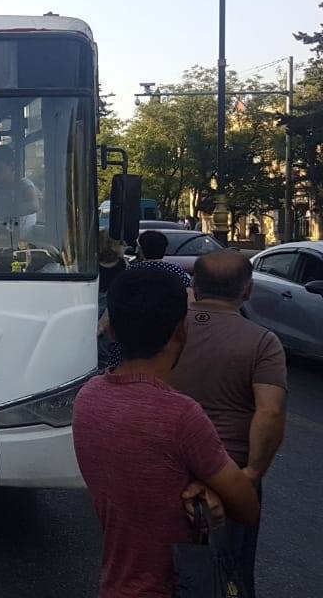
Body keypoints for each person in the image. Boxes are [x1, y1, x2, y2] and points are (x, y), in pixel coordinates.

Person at [72, 269, 259, 598]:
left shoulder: (88, 398)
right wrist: (210, 488)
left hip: (116, 584)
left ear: (112, 328)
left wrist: (200, 485)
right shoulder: (181, 415)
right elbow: (246, 507)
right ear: (182, 330)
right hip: (173, 587)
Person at [169, 251, 287, 597]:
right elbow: (271, 412)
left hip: (167, 465)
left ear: (194, 286)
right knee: (226, 570)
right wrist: (250, 474)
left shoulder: (168, 331)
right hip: (227, 471)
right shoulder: (263, 342)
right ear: (247, 291)